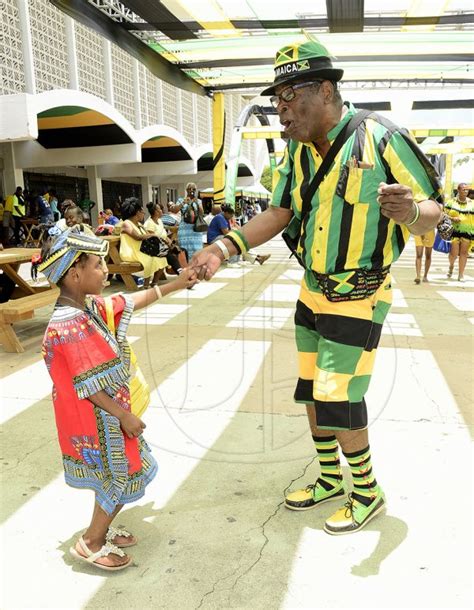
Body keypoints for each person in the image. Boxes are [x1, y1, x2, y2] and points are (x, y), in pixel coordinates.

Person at [191, 39, 442, 535]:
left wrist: (410, 212)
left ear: (326, 90)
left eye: (289, 96)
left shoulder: (382, 138)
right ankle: (330, 478)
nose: (280, 110)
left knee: (337, 396)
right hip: (312, 290)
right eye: (276, 99)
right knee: (312, 392)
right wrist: (223, 248)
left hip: (360, 292)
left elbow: (437, 210)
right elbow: (280, 212)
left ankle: (367, 492)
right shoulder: (295, 152)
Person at [36, 226, 197, 571]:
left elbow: (129, 301)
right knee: (117, 475)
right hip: (98, 421)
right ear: (76, 273)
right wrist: (123, 416)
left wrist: (175, 284)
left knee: (120, 473)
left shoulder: (87, 306)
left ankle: (101, 528)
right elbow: (88, 384)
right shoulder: (68, 325)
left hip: (107, 420)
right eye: (98, 264)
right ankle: (91, 542)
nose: (105, 269)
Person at [119, 197, 164, 288]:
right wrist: (153, 235)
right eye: (142, 212)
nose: (144, 214)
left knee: (162, 257)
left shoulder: (139, 224)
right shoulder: (126, 223)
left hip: (141, 250)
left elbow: (147, 235)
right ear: (137, 212)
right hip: (130, 252)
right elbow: (137, 237)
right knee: (151, 258)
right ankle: (146, 285)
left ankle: (154, 283)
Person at [445, 183, 473, 282]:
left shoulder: (472, 203)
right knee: (453, 253)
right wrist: (452, 218)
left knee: (464, 253)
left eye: (467, 190)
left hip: (467, 231)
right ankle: (451, 265)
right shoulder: (451, 202)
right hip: (454, 231)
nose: (466, 191)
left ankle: (461, 274)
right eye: (464, 190)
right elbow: (443, 214)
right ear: (458, 190)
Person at [177, 183, 204, 260]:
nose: (191, 191)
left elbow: (201, 213)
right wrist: (183, 203)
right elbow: (175, 210)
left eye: (193, 189)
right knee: (184, 250)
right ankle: (186, 268)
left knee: (197, 250)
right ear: (186, 190)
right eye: (189, 189)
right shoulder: (181, 200)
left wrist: (196, 203)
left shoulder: (198, 201)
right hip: (184, 229)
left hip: (196, 229)